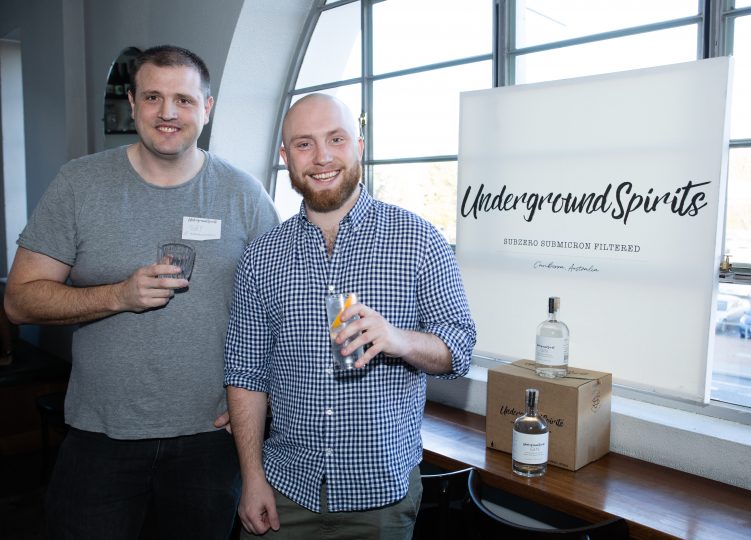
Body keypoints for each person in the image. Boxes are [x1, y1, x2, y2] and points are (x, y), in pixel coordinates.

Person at [3, 45, 279, 539]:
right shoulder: (79, 184)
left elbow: (280, 313)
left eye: (184, 100)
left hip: (210, 440)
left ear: (207, 108)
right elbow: (19, 300)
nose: (168, 113)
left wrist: (264, 403)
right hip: (100, 436)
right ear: (132, 103)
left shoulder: (244, 195)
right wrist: (117, 296)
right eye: (153, 96)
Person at [224, 93, 476, 539]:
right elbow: (246, 374)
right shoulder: (262, 257)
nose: (322, 157)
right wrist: (252, 477)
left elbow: (459, 348)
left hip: (380, 499)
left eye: (335, 139)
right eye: (303, 144)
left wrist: (397, 339)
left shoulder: (418, 240)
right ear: (285, 158)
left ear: (358, 144)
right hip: (284, 492)